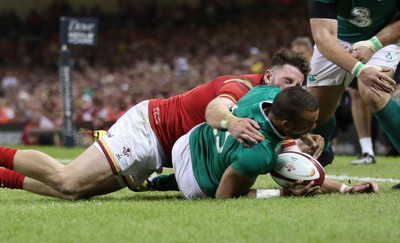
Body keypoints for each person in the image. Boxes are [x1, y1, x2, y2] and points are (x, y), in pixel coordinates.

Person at [0, 49, 315, 200]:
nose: (292, 89)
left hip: (161, 150)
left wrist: (336, 184)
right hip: (148, 129)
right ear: (270, 75)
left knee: (74, 193)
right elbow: (215, 109)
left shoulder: (272, 105)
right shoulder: (242, 86)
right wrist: (230, 121)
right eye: (288, 81)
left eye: (298, 85)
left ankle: (4, 177)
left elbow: (282, 147)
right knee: (67, 179)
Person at [167, 86, 377, 199]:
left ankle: (158, 182)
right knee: (230, 182)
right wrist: (282, 193)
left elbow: (299, 165)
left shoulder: (268, 93)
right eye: (309, 124)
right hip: (194, 181)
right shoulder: (259, 154)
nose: (313, 129)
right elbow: (224, 196)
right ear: (286, 124)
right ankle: (168, 182)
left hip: (188, 139)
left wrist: (346, 189)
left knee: (285, 157)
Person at [306, 0, 400, 168]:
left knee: (374, 92)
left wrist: (373, 44)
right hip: (336, 38)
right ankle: (322, 152)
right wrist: (359, 70)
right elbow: (323, 36)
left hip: (382, 36)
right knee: (317, 109)